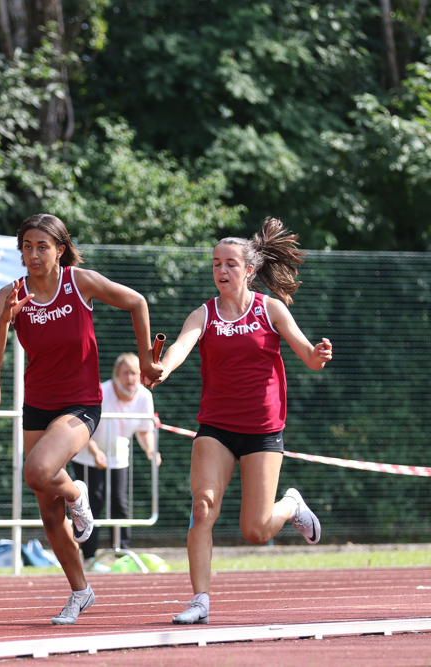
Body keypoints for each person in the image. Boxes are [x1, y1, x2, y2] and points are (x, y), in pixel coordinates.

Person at [149, 219, 332, 625]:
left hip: (263, 430)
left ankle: (291, 504)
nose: (222, 270)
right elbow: (180, 346)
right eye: (216, 264)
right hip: (216, 427)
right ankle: (200, 601)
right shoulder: (204, 313)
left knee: (256, 531)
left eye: (230, 263)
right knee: (203, 507)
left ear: (249, 270)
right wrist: (163, 368)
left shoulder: (270, 309)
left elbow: (307, 355)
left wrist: (318, 355)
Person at [0, 213, 161, 624]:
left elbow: (137, 302)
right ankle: (81, 592)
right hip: (37, 406)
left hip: (80, 403)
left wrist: (146, 361)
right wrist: (4, 320)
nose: (33, 254)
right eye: (27, 247)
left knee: (38, 470)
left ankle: (78, 496)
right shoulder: (10, 294)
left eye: (42, 247)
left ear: (60, 250)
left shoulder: (79, 282)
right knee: (49, 514)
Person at [71, 352, 158, 566]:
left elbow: (144, 430)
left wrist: (151, 450)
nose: (130, 378)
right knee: (93, 502)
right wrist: (95, 452)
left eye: (135, 373)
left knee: (119, 502)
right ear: (116, 375)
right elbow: (83, 427)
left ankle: (122, 555)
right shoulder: (101, 392)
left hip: (118, 456)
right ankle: (89, 557)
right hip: (87, 455)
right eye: (126, 373)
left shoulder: (145, 397)